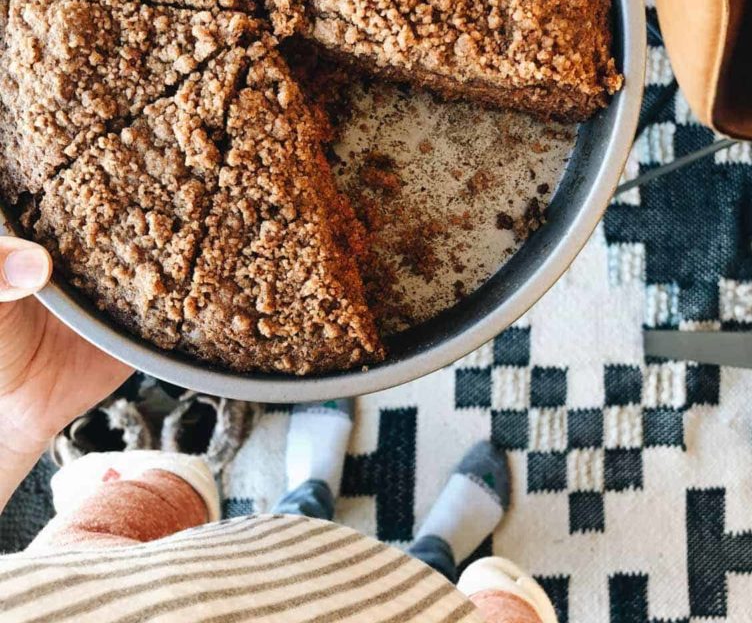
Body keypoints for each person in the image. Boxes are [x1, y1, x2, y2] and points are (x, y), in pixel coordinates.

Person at [0, 235, 557, 623]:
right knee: (477, 599)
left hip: (82, 587)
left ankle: (304, 504)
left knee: (172, 499)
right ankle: (434, 559)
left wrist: (14, 423)